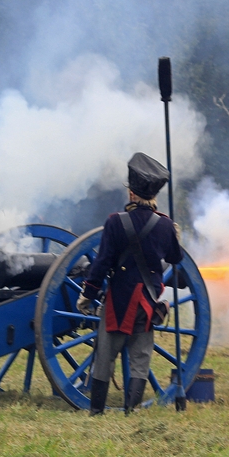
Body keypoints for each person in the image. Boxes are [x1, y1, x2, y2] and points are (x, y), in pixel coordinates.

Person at [76, 153, 182, 415]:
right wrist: (175, 235)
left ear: (132, 193)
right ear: (154, 194)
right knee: (141, 359)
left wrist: (87, 295)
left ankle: (96, 411)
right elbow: (175, 258)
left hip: (119, 301)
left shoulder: (115, 222)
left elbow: (101, 264)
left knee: (104, 358)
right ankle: (129, 411)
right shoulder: (165, 225)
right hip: (146, 302)